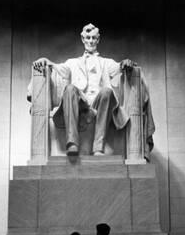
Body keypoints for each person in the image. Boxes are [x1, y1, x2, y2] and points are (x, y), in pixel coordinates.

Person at [32, 23, 134, 156]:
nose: (91, 41)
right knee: (69, 89)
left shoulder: (105, 62)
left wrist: (124, 63)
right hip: (80, 104)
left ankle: (98, 147)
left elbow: (118, 67)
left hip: (99, 103)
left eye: (93, 38)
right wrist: (46, 60)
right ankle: (72, 143)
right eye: (88, 38)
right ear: (83, 39)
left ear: (98, 40)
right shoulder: (72, 62)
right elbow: (59, 68)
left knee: (107, 91)